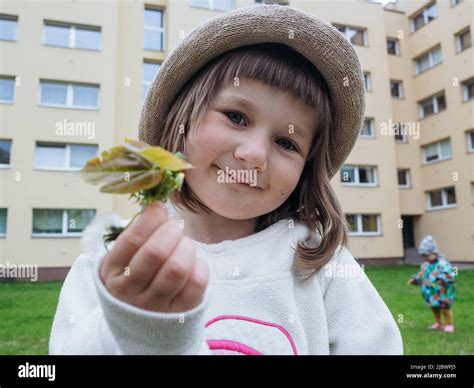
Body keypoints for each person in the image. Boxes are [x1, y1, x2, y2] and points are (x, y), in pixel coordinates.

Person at [49, 4, 403, 355]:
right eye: (236, 116)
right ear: (182, 122)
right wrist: (135, 327)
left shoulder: (321, 266)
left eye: (286, 142)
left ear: (305, 170)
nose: (254, 154)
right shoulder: (116, 260)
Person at [409, 235, 456, 333]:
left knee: (445, 308)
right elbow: (422, 275)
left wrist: (443, 279)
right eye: (423, 256)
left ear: (434, 252)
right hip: (431, 292)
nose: (425, 258)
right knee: (434, 307)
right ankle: (438, 323)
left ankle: (449, 324)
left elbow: (451, 273)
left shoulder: (442, 263)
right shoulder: (425, 265)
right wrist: (416, 280)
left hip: (442, 292)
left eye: (426, 255)